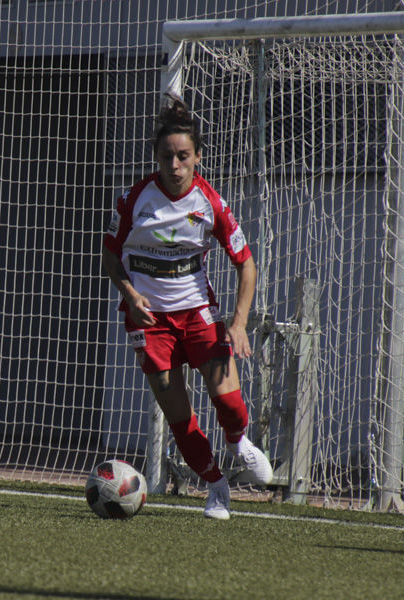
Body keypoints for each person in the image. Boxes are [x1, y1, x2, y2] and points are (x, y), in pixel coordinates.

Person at [101, 96, 273, 520]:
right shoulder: (134, 199)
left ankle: (239, 442)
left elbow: (246, 264)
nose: (174, 165)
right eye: (166, 156)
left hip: (198, 314)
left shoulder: (210, 203)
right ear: (156, 157)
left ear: (197, 156)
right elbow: (108, 255)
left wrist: (238, 323)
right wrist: (130, 293)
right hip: (150, 324)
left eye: (183, 156)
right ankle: (216, 487)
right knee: (179, 415)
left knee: (230, 404)